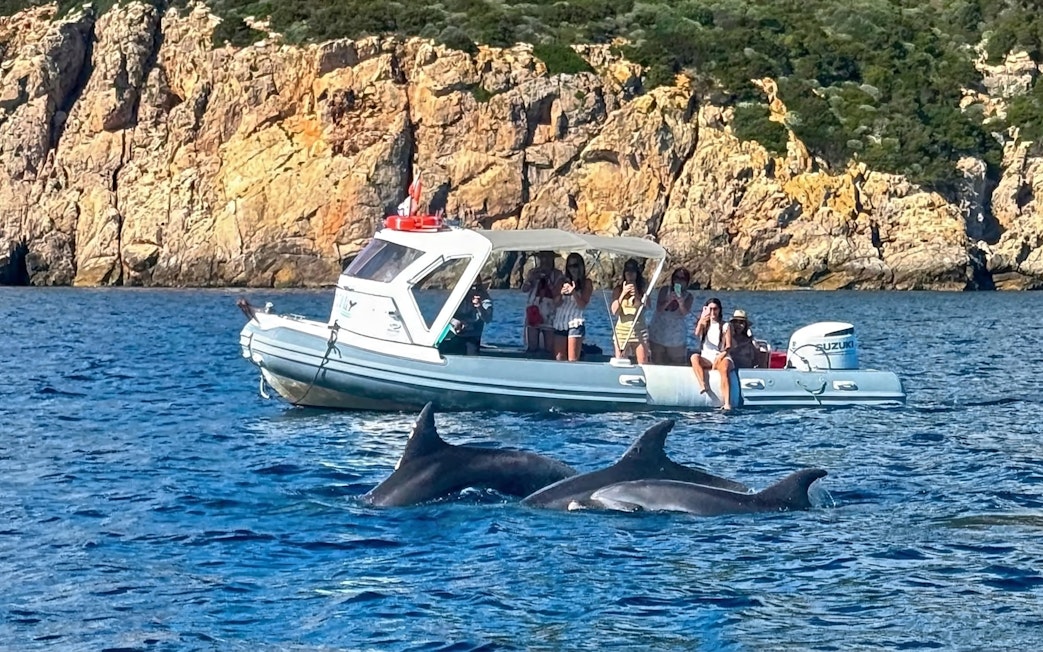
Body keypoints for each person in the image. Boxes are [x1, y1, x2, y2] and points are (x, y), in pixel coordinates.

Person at [690, 297, 734, 410]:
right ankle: (702, 384)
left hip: (722, 355)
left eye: (715, 309)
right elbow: (696, 333)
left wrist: (721, 356)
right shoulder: (704, 324)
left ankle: (727, 402)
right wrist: (701, 320)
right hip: (707, 357)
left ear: (719, 310)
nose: (713, 312)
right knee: (694, 357)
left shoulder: (725, 325)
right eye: (710, 309)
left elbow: (728, 346)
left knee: (724, 369)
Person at [552, 253, 593, 362]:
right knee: (559, 358)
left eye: (575, 265)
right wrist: (560, 293)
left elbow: (582, 305)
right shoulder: (562, 281)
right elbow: (556, 303)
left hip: (575, 322)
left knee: (572, 359)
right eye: (570, 266)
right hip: (560, 322)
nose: (572, 269)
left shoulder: (586, 283)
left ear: (580, 266)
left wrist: (574, 292)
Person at [648, 267, 693, 365]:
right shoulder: (664, 290)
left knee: (677, 362)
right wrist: (668, 300)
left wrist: (681, 302)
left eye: (682, 279)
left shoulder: (688, 296)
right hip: (659, 331)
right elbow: (659, 308)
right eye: (676, 278)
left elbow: (684, 313)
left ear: (686, 281)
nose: (678, 281)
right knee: (657, 361)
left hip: (676, 335)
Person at [520, 251, 563, 354]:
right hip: (534, 309)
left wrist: (548, 279)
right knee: (532, 345)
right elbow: (524, 289)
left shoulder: (558, 274)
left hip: (550, 311)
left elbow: (557, 293)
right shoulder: (533, 272)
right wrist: (532, 279)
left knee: (549, 347)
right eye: (543, 258)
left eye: (548, 258)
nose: (545, 261)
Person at [438, 277, 493, 356]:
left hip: (472, 337)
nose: (473, 291)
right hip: (455, 335)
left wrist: (479, 306)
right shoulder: (457, 298)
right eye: (470, 287)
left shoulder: (485, 300)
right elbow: (443, 315)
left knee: (471, 355)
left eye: (476, 288)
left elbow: (488, 319)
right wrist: (453, 321)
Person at [610, 258, 650, 364]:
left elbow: (644, 307)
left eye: (633, 271)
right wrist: (623, 294)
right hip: (622, 331)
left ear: (637, 273)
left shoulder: (642, 289)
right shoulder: (618, 290)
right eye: (628, 271)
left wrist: (636, 294)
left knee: (643, 362)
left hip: (639, 331)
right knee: (621, 362)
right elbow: (614, 311)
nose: (630, 274)